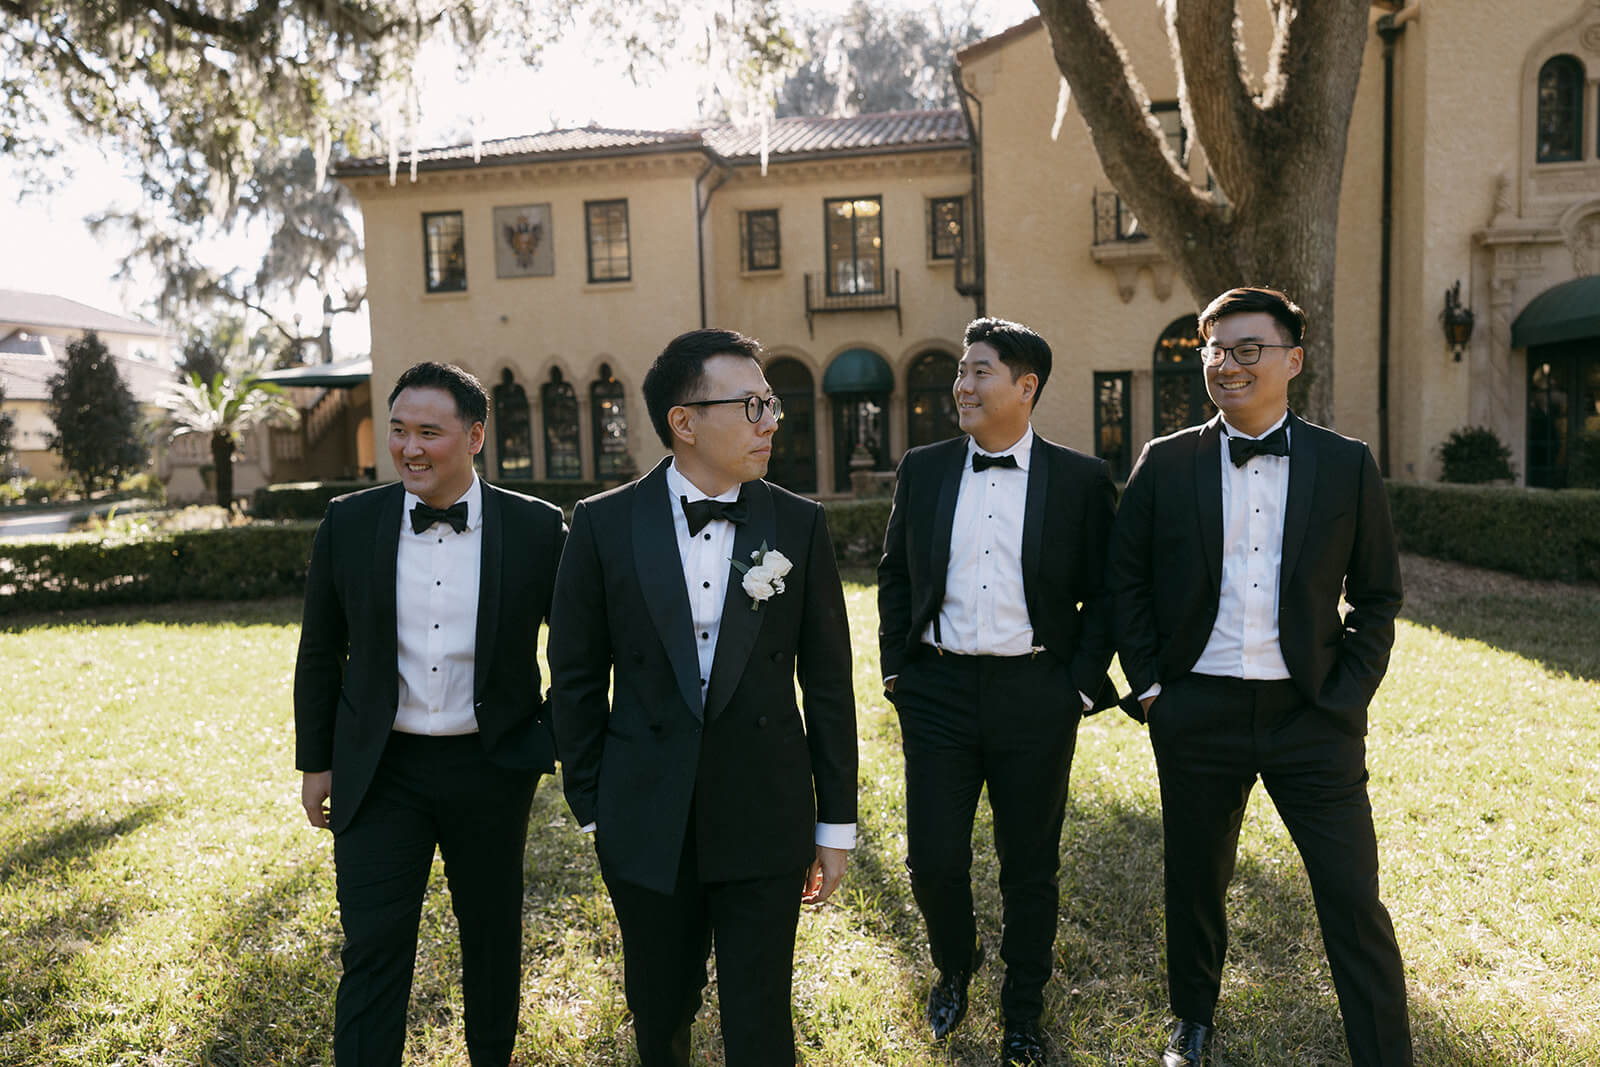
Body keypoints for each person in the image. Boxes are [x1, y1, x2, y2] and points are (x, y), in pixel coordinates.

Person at [1108, 287, 1412, 1066]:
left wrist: (1346, 696)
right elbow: (1124, 580)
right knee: (1194, 880)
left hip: (1312, 714)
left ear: (1293, 360)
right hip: (1195, 708)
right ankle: (1192, 1022)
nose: (1227, 363)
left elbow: (1378, 595)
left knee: (1351, 893)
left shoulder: (1346, 464)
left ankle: (1384, 1052)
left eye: (1249, 349)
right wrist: (1151, 689)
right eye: (1215, 348)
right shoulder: (1165, 461)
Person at [548, 328, 857, 1067]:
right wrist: (594, 803)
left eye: (770, 404)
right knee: (659, 1009)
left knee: (761, 1019)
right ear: (684, 421)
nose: (770, 421)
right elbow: (576, 674)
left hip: (766, 809)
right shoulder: (603, 523)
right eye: (751, 405)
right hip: (645, 813)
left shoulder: (799, 522)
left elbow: (828, 681)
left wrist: (836, 822)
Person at [295, 361, 566, 1065]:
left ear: (474, 436)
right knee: (373, 946)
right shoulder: (349, 522)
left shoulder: (537, 528)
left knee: (491, 940)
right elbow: (320, 649)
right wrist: (316, 762)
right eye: (398, 430)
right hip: (380, 768)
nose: (409, 448)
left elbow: (578, 650)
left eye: (428, 432)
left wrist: (544, 738)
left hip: (492, 767)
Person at [877, 317, 1120, 1066]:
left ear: (1026, 386)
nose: (962, 385)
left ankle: (1023, 1012)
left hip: (1036, 694)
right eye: (960, 370)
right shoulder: (923, 468)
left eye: (979, 371)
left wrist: (1078, 687)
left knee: (1029, 867)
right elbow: (896, 573)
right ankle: (955, 962)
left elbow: (1108, 593)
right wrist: (897, 670)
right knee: (933, 860)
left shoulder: (1080, 480)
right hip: (937, 691)